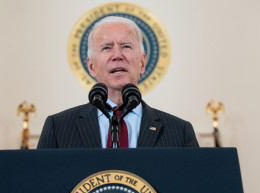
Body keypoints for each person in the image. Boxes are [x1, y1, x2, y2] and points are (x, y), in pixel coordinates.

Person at [37, 16, 199, 148]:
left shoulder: (179, 131)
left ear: (142, 63)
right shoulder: (58, 128)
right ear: (91, 66)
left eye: (126, 46)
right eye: (106, 48)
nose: (117, 55)